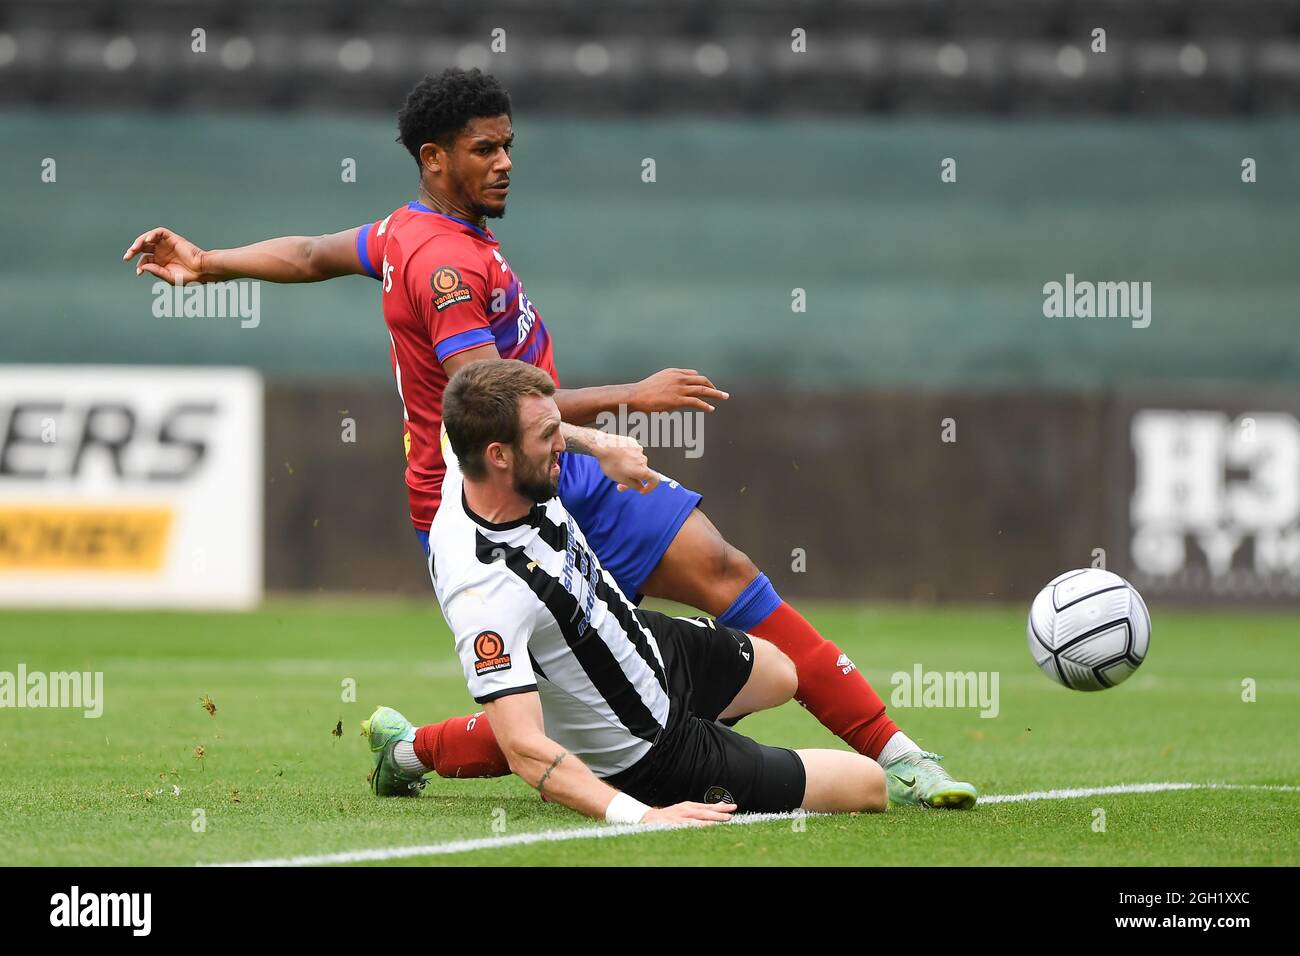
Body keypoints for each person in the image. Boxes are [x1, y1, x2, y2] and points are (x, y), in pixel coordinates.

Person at [123, 67, 976, 809]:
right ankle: (415, 750)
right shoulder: (448, 269)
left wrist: (209, 262)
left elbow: (312, 252)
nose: (503, 163)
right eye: (484, 149)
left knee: (721, 577)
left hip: (557, 464)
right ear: (434, 159)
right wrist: (626, 407)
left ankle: (897, 753)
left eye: (507, 145)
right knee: (602, 699)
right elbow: (499, 406)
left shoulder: (403, 234)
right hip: (505, 496)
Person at [374, 358, 887, 823]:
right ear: (499, 456)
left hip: (648, 648)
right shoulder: (486, 592)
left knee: (781, 671)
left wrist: (600, 443)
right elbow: (524, 747)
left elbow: (479, 425)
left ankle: (412, 750)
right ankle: (695, 767)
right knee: (869, 786)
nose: (561, 445)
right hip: (648, 751)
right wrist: (640, 815)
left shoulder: (466, 455)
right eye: (549, 436)